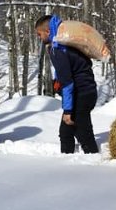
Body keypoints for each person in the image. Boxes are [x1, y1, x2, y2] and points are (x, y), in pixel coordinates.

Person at [35, 14, 99, 154]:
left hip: (80, 94)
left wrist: (68, 111)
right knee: (66, 132)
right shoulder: (66, 44)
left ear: (48, 32)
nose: (39, 38)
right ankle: (66, 162)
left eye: (39, 34)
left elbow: (68, 82)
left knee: (83, 132)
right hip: (87, 91)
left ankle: (94, 162)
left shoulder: (58, 49)